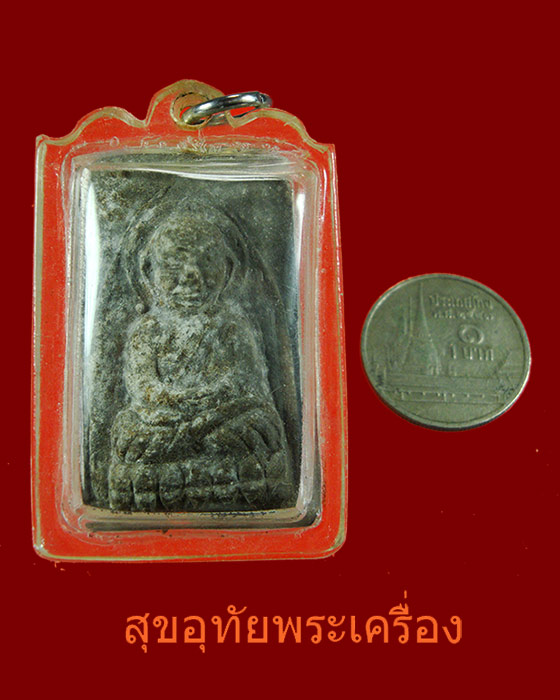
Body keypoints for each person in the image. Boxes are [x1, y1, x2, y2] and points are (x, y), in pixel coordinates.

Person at [108, 214, 294, 512]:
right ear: (148, 270)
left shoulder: (232, 325)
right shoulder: (147, 330)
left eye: (206, 262)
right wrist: (182, 406)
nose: (191, 275)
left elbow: (242, 381)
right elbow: (143, 388)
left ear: (228, 269)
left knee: (260, 425)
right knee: (132, 433)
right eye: (173, 265)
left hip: (222, 419)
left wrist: (205, 409)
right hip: (162, 422)